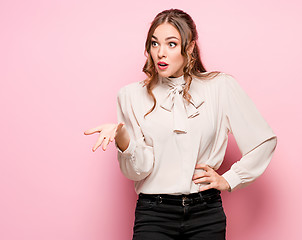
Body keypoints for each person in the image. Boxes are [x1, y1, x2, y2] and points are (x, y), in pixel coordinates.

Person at [84, 8, 277, 240]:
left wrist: (229, 179)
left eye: (171, 44)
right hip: (154, 214)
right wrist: (123, 139)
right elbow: (140, 170)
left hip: (206, 213)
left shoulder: (220, 87)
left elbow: (263, 141)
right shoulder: (130, 95)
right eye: (154, 44)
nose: (160, 53)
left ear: (190, 47)